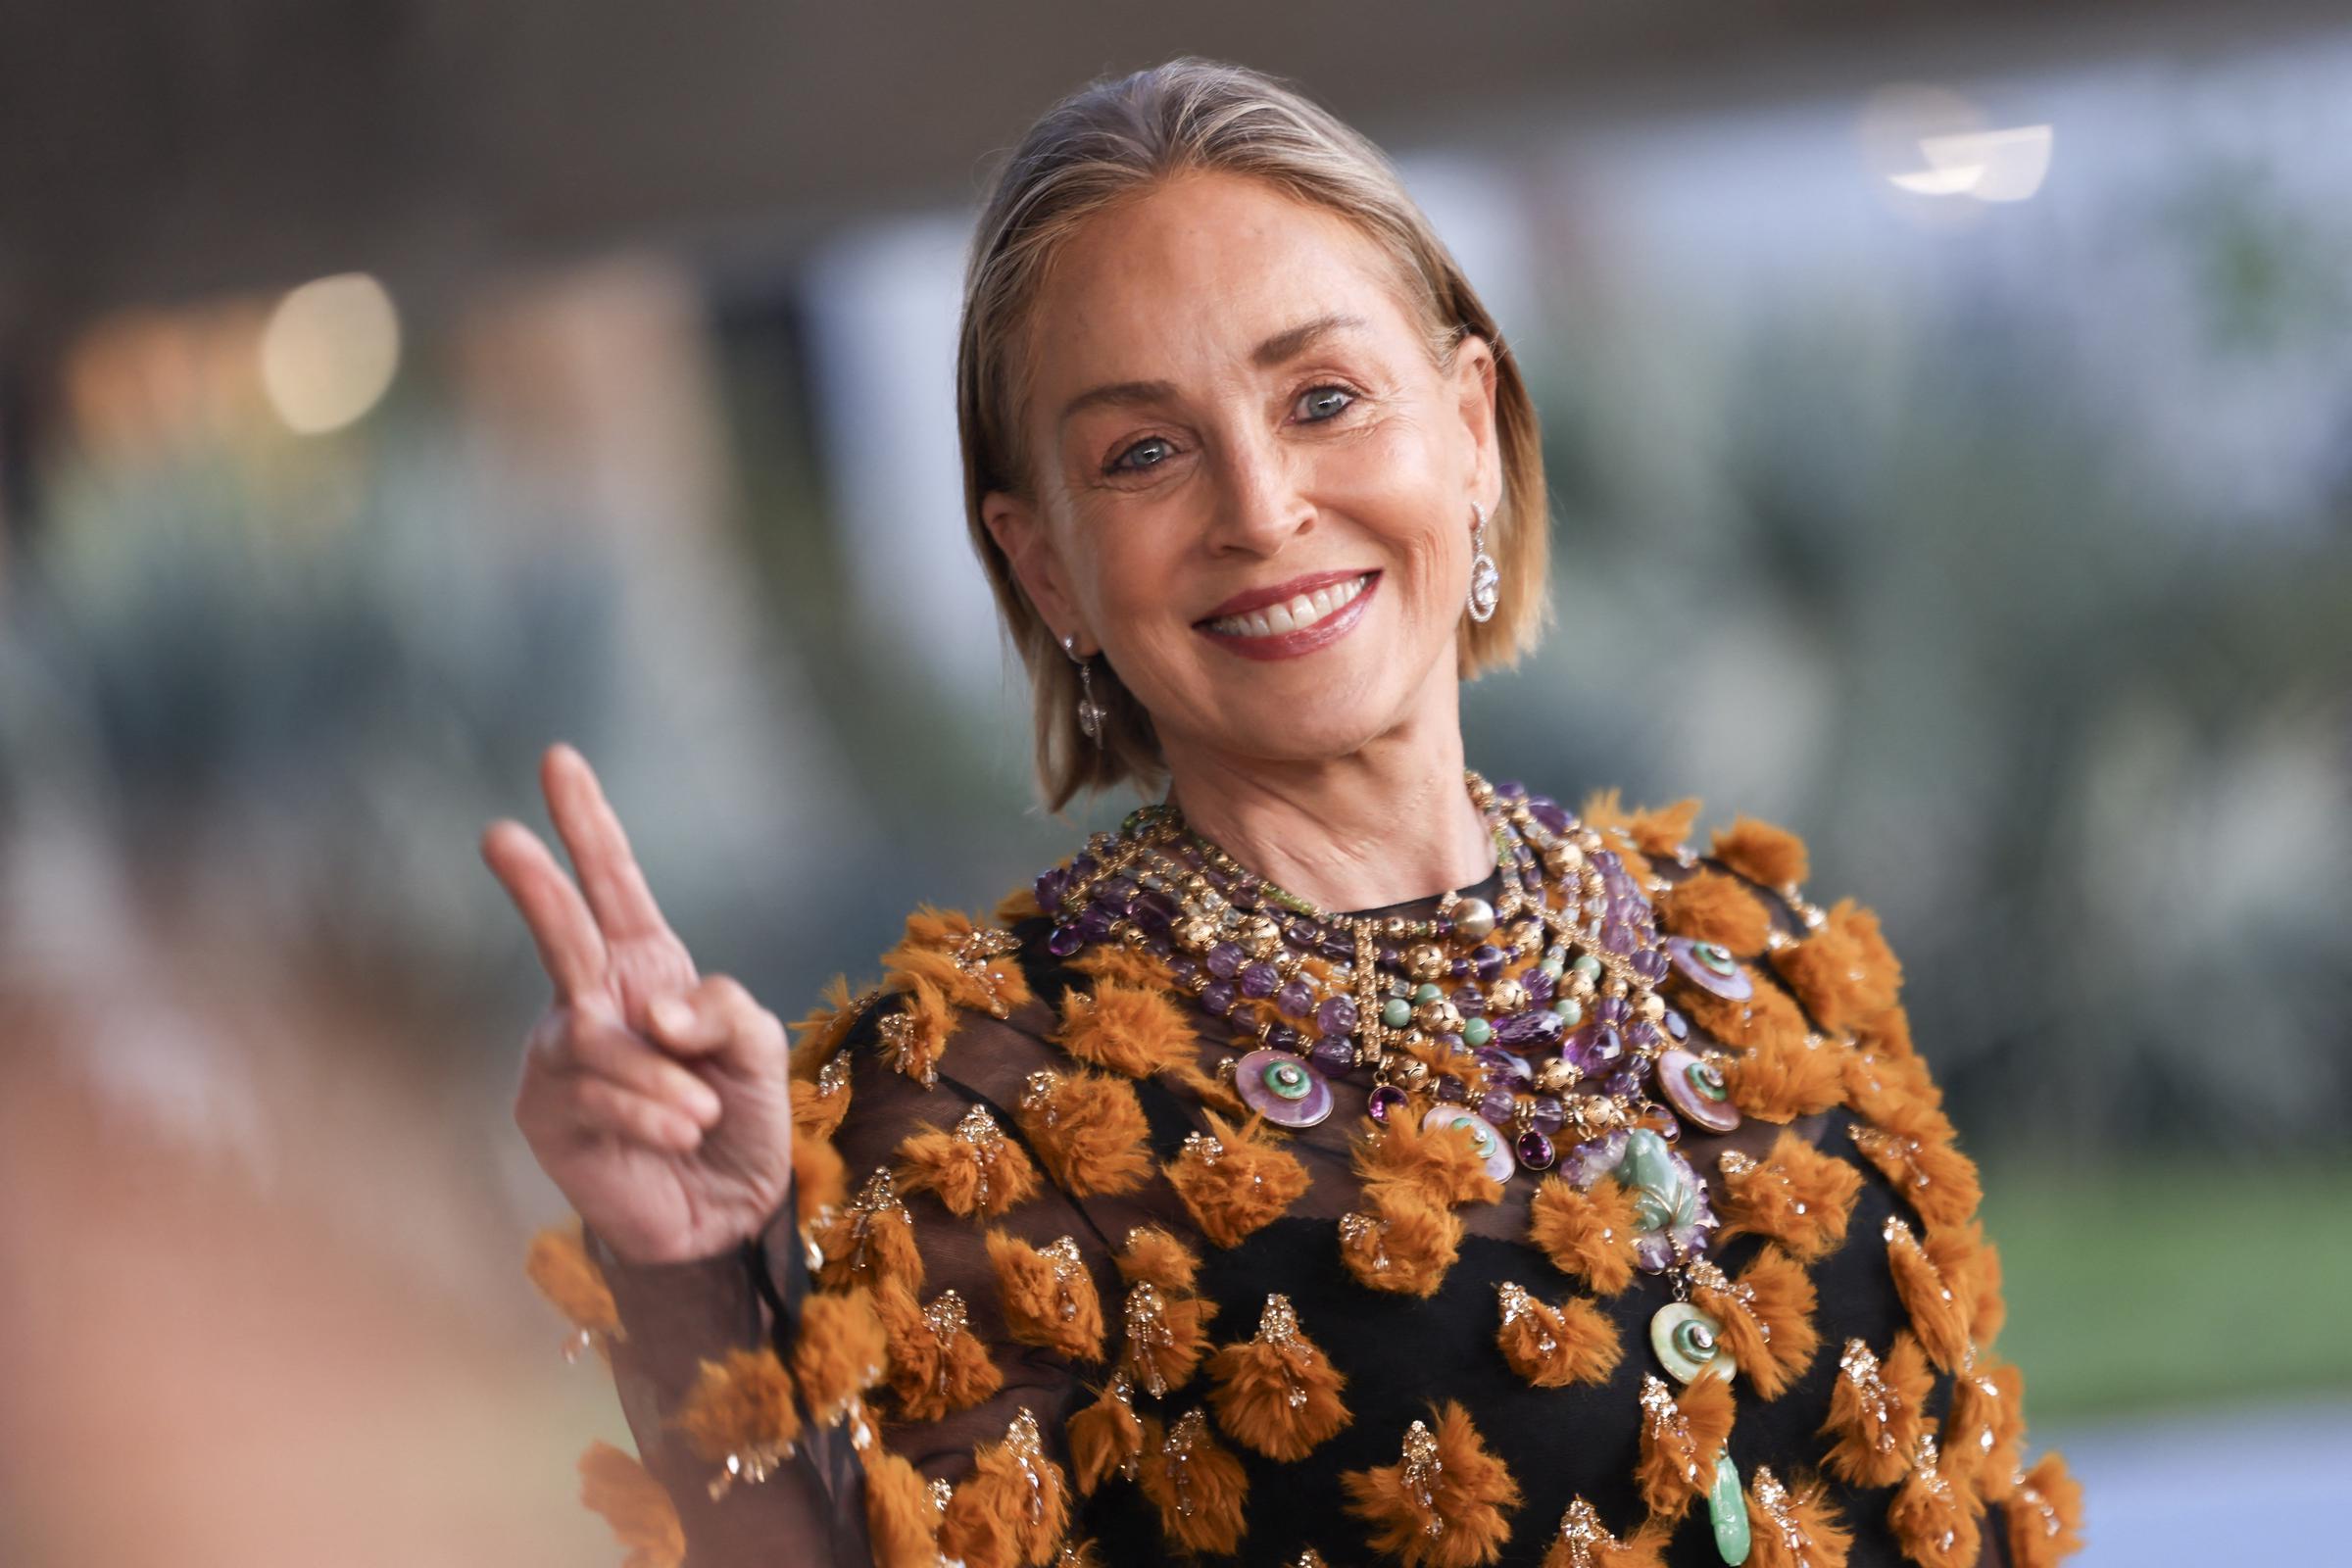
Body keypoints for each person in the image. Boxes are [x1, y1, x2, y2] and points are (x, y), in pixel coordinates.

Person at [481, 57, 2084, 1568]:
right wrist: (710, 1272)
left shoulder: (1769, 959)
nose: (1260, 509)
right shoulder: (989, 1102)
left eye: (1322, 399)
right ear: (1049, 569)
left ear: (1467, 430)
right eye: (1147, 452)